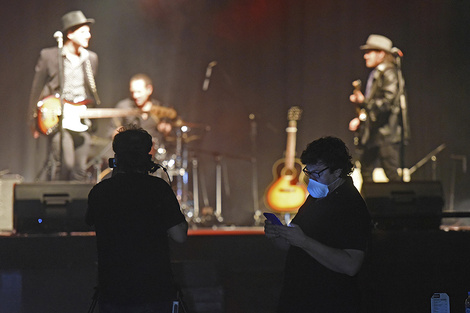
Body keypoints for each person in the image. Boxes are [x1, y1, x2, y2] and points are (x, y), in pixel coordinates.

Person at [86, 126, 188, 312]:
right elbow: (179, 235)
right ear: (147, 157)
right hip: (154, 290)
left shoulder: (100, 192)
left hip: (113, 291)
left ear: (116, 158)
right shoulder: (159, 189)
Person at [264, 136, 371, 313]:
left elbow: (351, 265)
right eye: (308, 172)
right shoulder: (317, 197)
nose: (311, 178)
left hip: (330, 302)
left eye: (317, 173)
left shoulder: (352, 206)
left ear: (337, 171)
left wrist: (304, 241)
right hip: (299, 299)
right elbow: (293, 245)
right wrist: (278, 234)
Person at [29, 10, 99, 181]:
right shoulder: (49, 56)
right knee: (64, 164)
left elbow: (89, 90)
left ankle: (77, 207)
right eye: (83, 31)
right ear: (70, 33)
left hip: (81, 119)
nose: (88, 35)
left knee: (80, 169)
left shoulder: (91, 58)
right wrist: (33, 121)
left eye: (88, 31)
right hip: (58, 118)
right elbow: (36, 88)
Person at [349, 34, 409, 182]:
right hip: (374, 133)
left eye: (369, 52)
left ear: (381, 54)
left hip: (386, 134)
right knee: (366, 171)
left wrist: (364, 102)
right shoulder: (377, 73)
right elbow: (375, 105)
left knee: (392, 174)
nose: (365, 56)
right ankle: (370, 204)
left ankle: (399, 204)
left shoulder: (389, 72)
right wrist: (360, 118)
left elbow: (387, 102)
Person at [109, 73, 175, 149]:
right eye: (133, 92)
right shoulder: (123, 106)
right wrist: (118, 134)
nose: (135, 96)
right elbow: (111, 131)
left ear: (149, 90)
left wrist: (166, 131)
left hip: (153, 155)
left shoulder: (160, 109)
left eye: (139, 92)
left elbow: (170, 138)